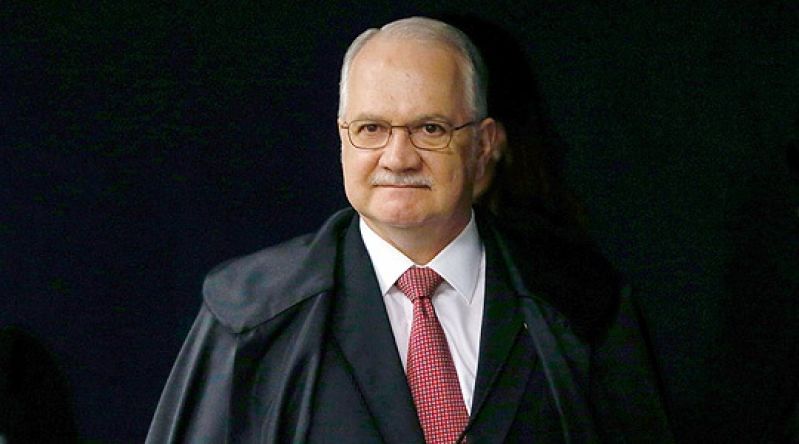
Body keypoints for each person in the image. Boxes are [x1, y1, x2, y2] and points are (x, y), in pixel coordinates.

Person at [146, 17, 672, 443]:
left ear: (484, 144)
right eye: (371, 128)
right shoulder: (252, 318)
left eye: (430, 128)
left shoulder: (581, 307)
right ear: (342, 139)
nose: (398, 158)